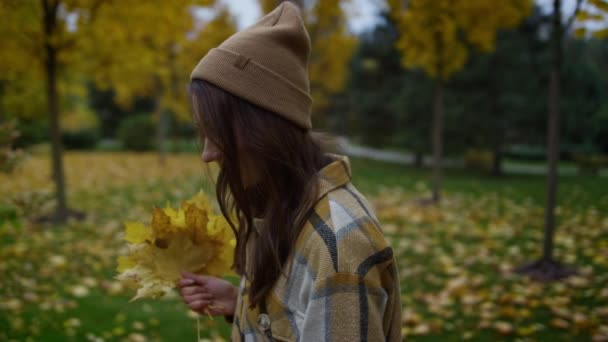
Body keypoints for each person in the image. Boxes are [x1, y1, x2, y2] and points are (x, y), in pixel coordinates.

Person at [178, 2, 402, 341]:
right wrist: (240, 303)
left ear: (263, 129)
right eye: (203, 132)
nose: (208, 153)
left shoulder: (338, 248)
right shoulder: (280, 205)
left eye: (218, 132)